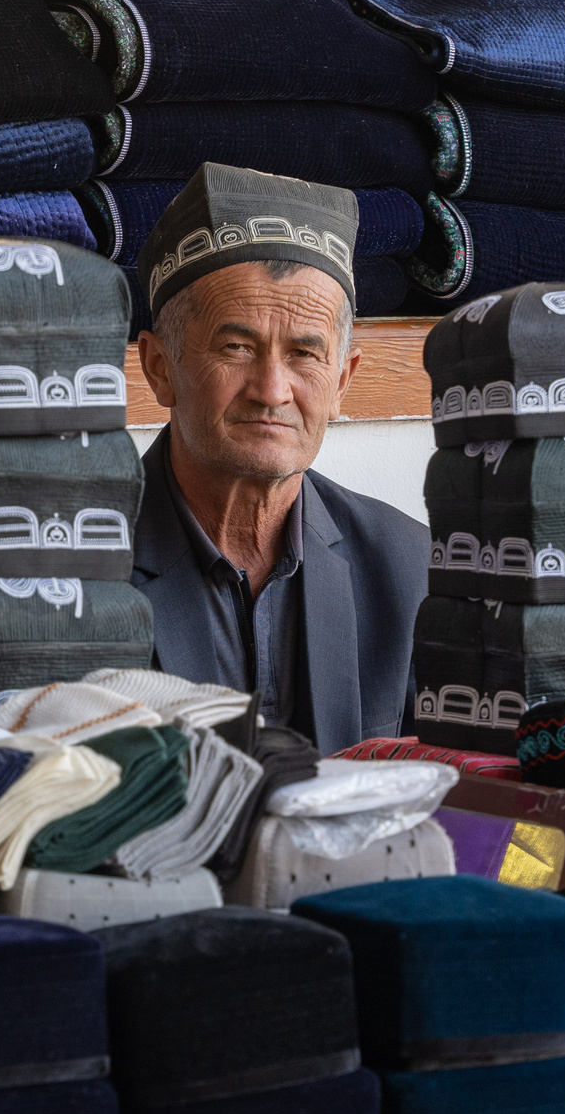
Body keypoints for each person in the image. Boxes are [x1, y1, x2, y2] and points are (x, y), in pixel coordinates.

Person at [127, 164, 427, 754]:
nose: (272, 389)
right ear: (160, 368)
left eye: (304, 355)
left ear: (343, 380)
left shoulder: (409, 568)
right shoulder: (77, 568)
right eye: (236, 347)